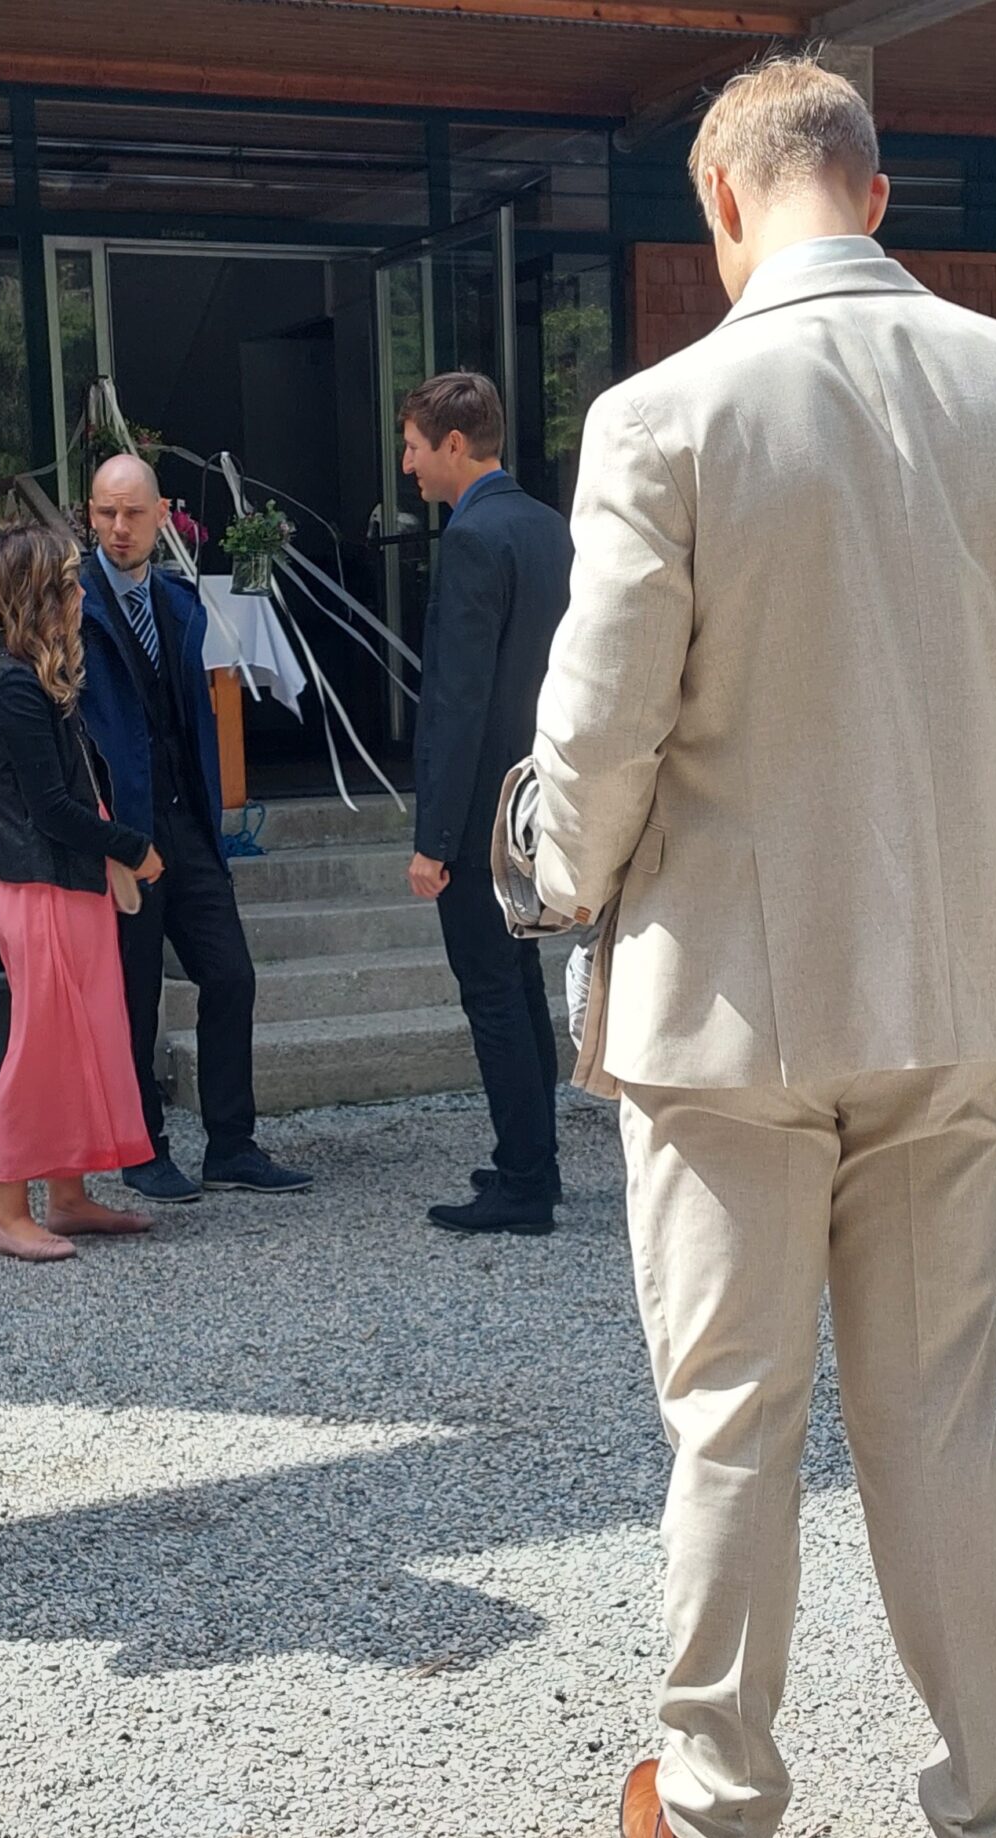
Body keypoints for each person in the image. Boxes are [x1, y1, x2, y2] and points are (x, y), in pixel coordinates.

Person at [522, 58, 996, 1838]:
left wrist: (556, 873)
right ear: (876, 193)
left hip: (725, 997)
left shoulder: (661, 416)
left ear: (722, 204)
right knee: (937, 1420)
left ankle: (717, 1814)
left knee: (733, 1418)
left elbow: (599, 734)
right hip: (944, 979)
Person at [79, 453, 312, 1204]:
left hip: (188, 823)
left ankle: (231, 1145)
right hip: (124, 834)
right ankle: (142, 1148)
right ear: (90, 515)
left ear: (161, 516)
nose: (119, 528)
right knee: (134, 997)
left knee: (232, 975)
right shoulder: (70, 605)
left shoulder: (180, 602)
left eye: (133, 513)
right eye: (106, 513)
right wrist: (103, 836)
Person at [399, 370, 573, 1236]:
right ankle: (533, 1157)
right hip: (540, 797)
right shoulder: (548, 528)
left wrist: (434, 838)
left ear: (456, 445)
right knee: (520, 982)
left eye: (414, 446)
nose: (407, 465)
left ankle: (525, 1181)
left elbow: (457, 702)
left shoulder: (472, 540)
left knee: (493, 993)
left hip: (479, 812)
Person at [0, 524, 165, 1262]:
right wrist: (133, 848)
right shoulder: (14, 684)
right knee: (38, 1050)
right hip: (40, 886)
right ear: (39, 596)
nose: (82, 594)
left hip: (63, 883)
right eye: (70, 584)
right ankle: (8, 1213)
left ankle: (68, 1198)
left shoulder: (32, 675)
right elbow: (51, 808)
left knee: (76, 1040)